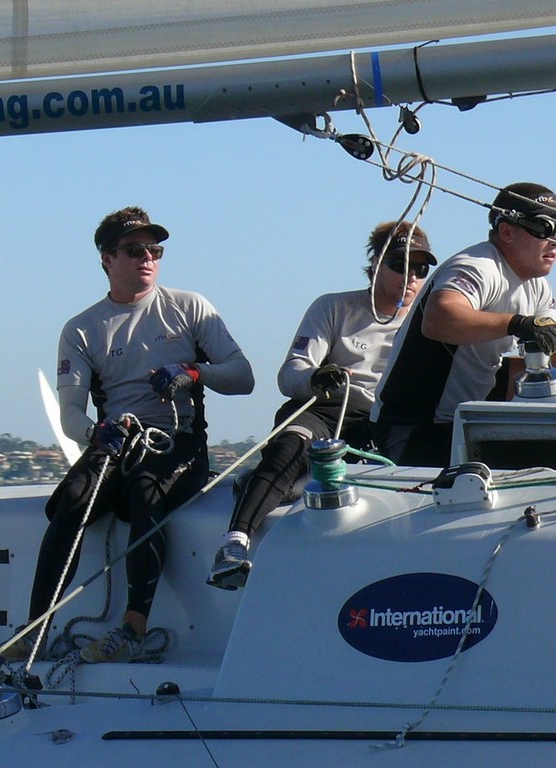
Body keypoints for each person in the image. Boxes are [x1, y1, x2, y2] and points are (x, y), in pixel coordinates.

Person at [8, 206, 254, 664]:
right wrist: (96, 432)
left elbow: (243, 377)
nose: (148, 257)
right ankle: (35, 629)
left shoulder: (189, 307)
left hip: (178, 444)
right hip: (116, 443)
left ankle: (133, 627)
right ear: (106, 259)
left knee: (147, 493)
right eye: (134, 249)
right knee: (73, 499)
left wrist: (194, 372)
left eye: (155, 249)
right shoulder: (82, 328)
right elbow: (69, 413)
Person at [207, 221, 435, 590]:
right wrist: (316, 378)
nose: (410, 277)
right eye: (399, 264)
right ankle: (234, 545)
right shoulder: (334, 307)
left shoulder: (431, 324)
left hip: (387, 420)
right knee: (288, 449)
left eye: (420, 269)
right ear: (375, 263)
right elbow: (290, 372)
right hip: (327, 407)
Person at [372, 182, 556, 468]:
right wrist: (517, 324)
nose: (554, 241)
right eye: (545, 229)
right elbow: (439, 318)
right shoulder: (477, 265)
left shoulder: (538, 288)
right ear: (506, 231)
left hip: (465, 426)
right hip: (414, 429)